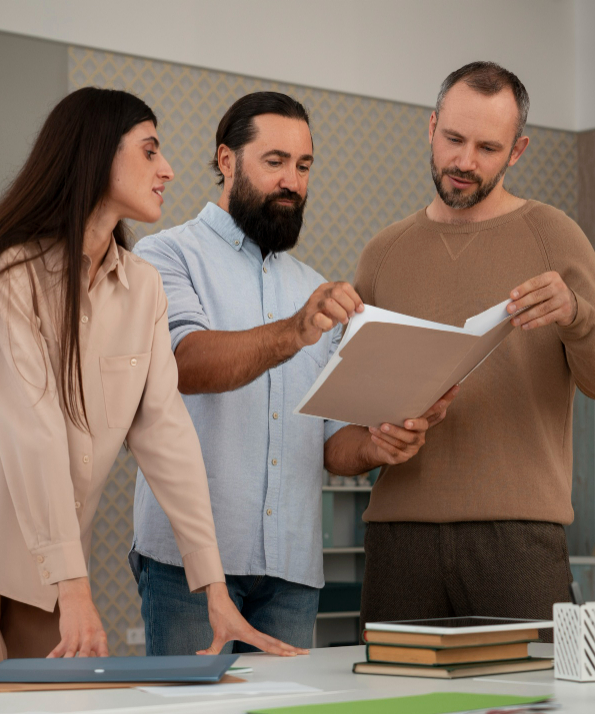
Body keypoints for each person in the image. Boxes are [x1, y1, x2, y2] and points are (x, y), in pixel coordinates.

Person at [0, 88, 303, 673]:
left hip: (46, 557)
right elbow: (32, 432)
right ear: (95, 155)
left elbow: (166, 435)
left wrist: (212, 584)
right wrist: (75, 590)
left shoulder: (144, 288)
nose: (169, 169)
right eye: (150, 150)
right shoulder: (13, 273)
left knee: (47, 705)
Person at [131, 91, 456, 656]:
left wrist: (382, 443)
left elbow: (332, 445)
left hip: (292, 568)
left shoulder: (313, 286)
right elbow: (184, 364)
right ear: (227, 161)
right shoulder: (164, 256)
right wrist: (294, 332)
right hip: (187, 565)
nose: (293, 182)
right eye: (275, 161)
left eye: (304, 166)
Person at [355, 62, 595, 635]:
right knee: (397, 700)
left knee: (529, 700)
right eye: (454, 139)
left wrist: (577, 318)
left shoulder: (554, 236)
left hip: (519, 540)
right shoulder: (382, 253)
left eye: (488, 147)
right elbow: (352, 404)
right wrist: (374, 433)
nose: (465, 162)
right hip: (397, 539)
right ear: (431, 128)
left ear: (518, 151)